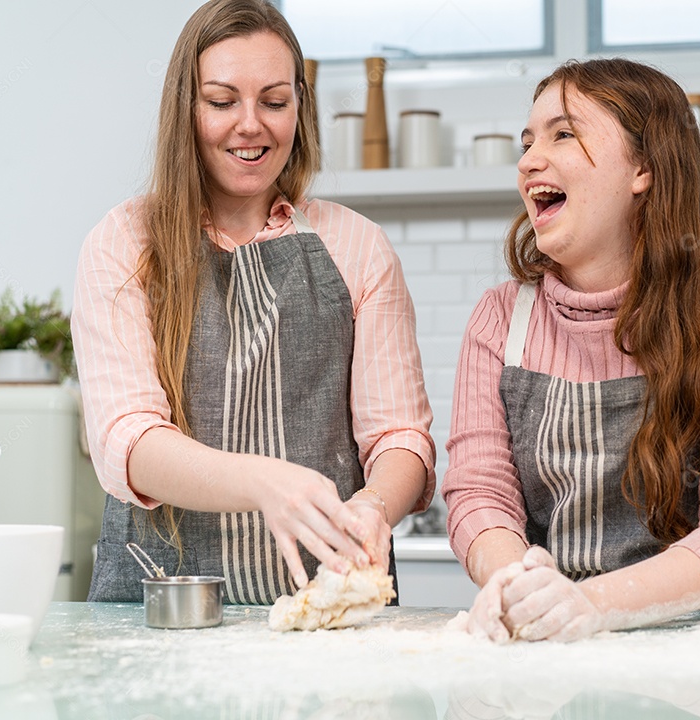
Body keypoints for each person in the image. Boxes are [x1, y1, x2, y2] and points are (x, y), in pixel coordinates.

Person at [72, 0, 435, 603]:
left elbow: (400, 437)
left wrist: (374, 505)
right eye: (221, 102)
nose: (251, 125)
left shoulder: (358, 247)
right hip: (159, 611)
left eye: (274, 101)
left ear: (300, 108)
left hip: (329, 611)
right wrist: (265, 482)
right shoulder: (124, 243)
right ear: (184, 110)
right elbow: (129, 441)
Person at [442, 58, 700, 642]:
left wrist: (593, 604)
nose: (530, 160)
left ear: (644, 169)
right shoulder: (502, 318)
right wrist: (516, 589)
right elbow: (480, 491)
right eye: (527, 142)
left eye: (563, 134)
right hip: (552, 654)